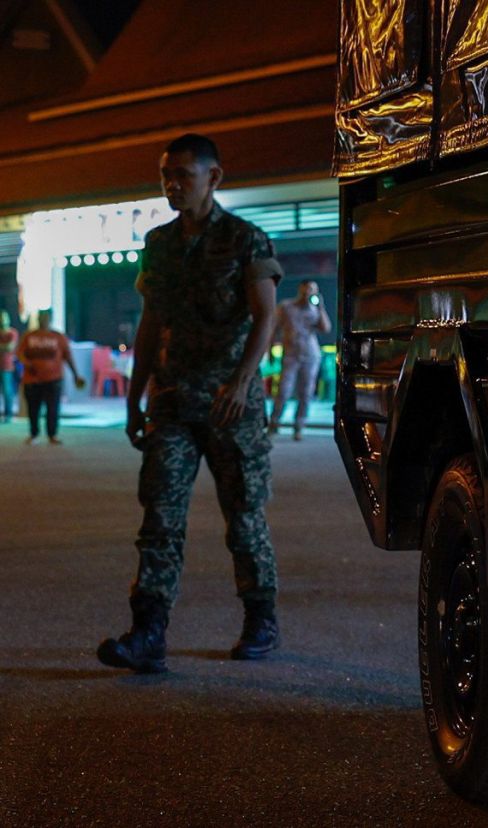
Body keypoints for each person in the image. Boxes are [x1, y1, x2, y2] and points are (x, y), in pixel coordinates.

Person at [97, 133, 283, 674]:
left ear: (213, 178)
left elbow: (265, 316)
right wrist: (134, 399)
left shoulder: (245, 239)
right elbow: (150, 323)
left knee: (244, 517)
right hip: (173, 401)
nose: (172, 185)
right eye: (166, 176)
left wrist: (242, 383)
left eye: (183, 174)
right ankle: (148, 633)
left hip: (230, 406)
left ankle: (261, 619)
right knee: (159, 518)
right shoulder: (159, 243)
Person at [269, 280, 330, 440]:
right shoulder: (286, 306)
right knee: (284, 391)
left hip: (311, 355)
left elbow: (326, 328)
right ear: (300, 289)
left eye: (312, 289)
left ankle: (299, 426)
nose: (308, 292)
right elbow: (274, 328)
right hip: (290, 354)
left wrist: (321, 308)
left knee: (306, 393)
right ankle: (274, 423)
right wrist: (270, 350)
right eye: (306, 289)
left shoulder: (315, 309)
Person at [16, 309, 84, 443]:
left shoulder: (58, 337)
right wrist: (27, 363)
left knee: (53, 408)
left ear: (50, 319)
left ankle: (52, 434)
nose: (43, 320)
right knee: (33, 408)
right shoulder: (29, 336)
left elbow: (68, 356)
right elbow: (20, 353)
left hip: (54, 378)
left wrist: (76, 375)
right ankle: (34, 433)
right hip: (32, 379)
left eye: (46, 318)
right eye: (41, 317)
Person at [0, 310, 16, 423]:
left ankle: (8, 414)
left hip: (7, 366)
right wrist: (4, 347)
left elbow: (10, 347)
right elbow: (6, 347)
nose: (2, 320)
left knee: (7, 391)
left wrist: (4, 347)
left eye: (4, 318)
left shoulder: (12, 333)